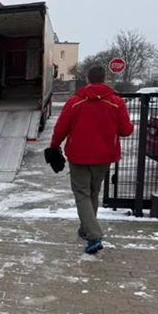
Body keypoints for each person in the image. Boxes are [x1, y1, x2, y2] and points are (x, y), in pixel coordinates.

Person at [49, 66, 134, 254]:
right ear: (105, 79)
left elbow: (61, 128)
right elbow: (126, 130)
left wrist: (54, 146)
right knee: (93, 194)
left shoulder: (74, 102)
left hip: (78, 156)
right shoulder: (116, 103)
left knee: (82, 195)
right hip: (104, 157)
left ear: (87, 80)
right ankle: (84, 229)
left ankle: (93, 234)